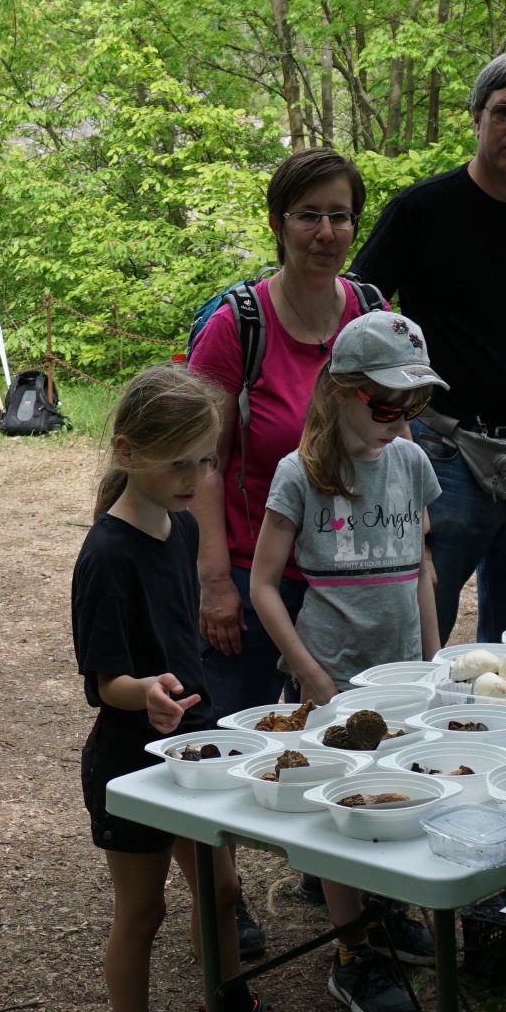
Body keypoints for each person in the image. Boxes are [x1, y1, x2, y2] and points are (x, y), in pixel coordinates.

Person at [72, 365, 331, 1012]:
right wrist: (143, 693)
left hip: (197, 747)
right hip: (133, 761)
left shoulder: (180, 527)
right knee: (142, 910)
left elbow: (182, 637)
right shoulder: (106, 554)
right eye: (177, 462)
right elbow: (103, 681)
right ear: (126, 451)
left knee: (220, 890)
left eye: (206, 460)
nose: (194, 477)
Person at [188, 147, 378, 957]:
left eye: (339, 215)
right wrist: (210, 579)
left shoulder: (369, 311)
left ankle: (339, 884)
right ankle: (223, 900)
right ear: (277, 224)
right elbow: (198, 454)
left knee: (350, 728)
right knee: (231, 731)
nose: (326, 231)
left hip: (347, 569)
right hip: (245, 563)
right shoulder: (240, 323)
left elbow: (391, 428)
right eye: (309, 214)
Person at [351, 50, 506, 641]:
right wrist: (397, 416)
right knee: (415, 633)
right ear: (477, 116)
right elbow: (360, 313)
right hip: (443, 449)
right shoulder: (423, 210)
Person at [246, 313, 446, 1012]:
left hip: (401, 673)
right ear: (340, 392)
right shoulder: (299, 474)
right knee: (338, 813)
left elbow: (423, 567)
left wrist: (434, 658)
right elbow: (264, 585)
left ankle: (384, 910)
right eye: (387, 403)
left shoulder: (412, 463)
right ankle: (351, 951)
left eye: (413, 404)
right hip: (331, 671)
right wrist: (307, 674)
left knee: (397, 790)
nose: (399, 420)